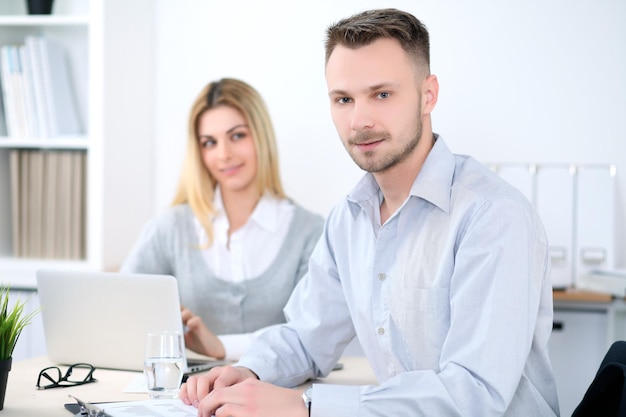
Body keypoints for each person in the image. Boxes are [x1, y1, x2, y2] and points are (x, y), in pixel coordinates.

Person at [179, 8, 559, 417]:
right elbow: (308, 337)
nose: (359, 121)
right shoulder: (349, 219)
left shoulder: (493, 216)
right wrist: (248, 370)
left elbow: (474, 394)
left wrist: (306, 407)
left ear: (428, 94)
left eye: (382, 94)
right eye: (344, 99)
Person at [120, 78, 324, 361]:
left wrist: (223, 347)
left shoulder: (310, 232)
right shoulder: (170, 228)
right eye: (209, 143)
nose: (224, 154)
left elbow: (311, 336)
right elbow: (121, 312)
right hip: (190, 397)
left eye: (237, 136)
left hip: (279, 393)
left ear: (261, 136)